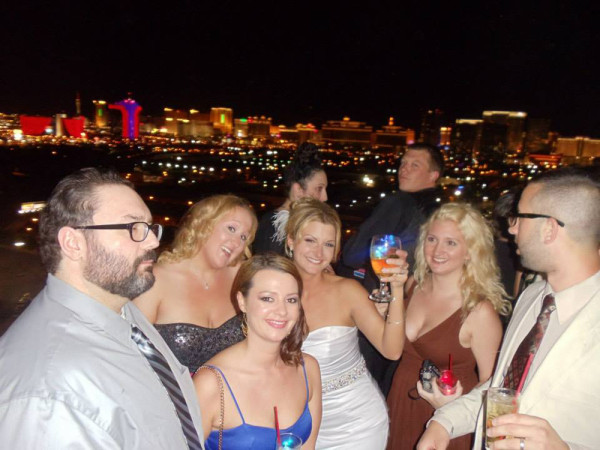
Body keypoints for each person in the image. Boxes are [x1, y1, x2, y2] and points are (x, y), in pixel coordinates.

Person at [0, 168, 204, 449]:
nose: (153, 241)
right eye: (133, 228)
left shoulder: (122, 311)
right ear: (73, 243)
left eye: (149, 227)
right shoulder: (48, 395)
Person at [418, 169, 600, 450]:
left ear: (549, 228)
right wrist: (445, 422)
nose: (511, 228)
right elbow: (504, 389)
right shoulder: (533, 297)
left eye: (520, 217)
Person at [387, 203, 511, 450]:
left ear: (470, 252)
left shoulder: (479, 311)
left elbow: (491, 385)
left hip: (447, 417)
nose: (437, 250)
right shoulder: (412, 285)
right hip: (400, 401)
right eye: (432, 239)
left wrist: (450, 410)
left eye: (451, 243)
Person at [286, 198, 408, 449]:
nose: (318, 253)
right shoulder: (270, 292)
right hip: (296, 420)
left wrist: (397, 289)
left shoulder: (348, 291)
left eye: (328, 244)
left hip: (357, 424)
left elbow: (392, 350)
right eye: (310, 240)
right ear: (291, 241)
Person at [340, 143, 445, 393]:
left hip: (378, 308)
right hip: (414, 311)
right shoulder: (439, 211)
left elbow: (352, 254)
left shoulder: (399, 203)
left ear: (433, 175)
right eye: (403, 163)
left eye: (414, 165)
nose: (404, 169)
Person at [194, 254, 322, 449]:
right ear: (242, 302)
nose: (282, 311)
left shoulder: (307, 369)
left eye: (291, 300)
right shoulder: (211, 383)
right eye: (268, 299)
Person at [134, 195, 257, 374]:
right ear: (203, 224)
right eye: (231, 228)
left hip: (233, 389)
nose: (237, 242)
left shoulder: (243, 277)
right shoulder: (156, 280)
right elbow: (131, 354)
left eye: (244, 237)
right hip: (169, 390)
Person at [253, 142, 328, 255]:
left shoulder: (295, 223)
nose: (325, 197)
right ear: (298, 190)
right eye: (319, 189)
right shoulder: (276, 227)